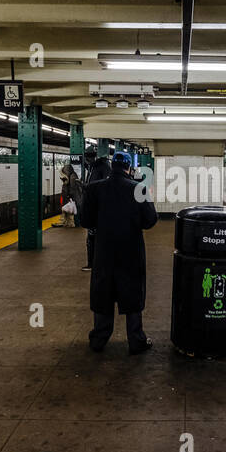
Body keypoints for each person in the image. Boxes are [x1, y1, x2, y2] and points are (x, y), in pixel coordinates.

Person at [78, 151, 157, 354]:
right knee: (132, 292)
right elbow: (150, 221)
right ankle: (136, 341)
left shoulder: (95, 188)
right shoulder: (138, 188)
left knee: (103, 292)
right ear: (129, 168)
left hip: (104, 251)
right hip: (131, 251)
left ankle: (99, 339)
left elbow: (85, 220)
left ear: (112, 166)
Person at [81, 148, 111, 272]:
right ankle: (94, 263)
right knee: (93, 238)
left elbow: (104, 185)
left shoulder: (101, 168)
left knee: (93, 238)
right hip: (95, 208)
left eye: (88, 158)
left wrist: (88, 186)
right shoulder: (94, 168)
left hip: (98, 209)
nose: (87, 161)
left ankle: (94, 264)